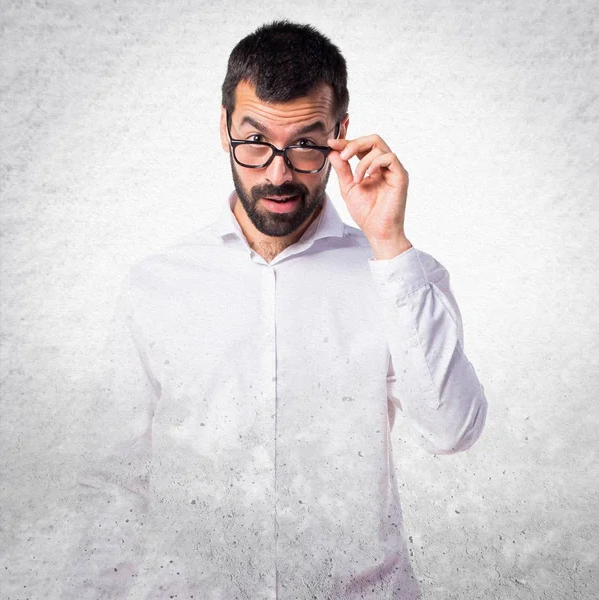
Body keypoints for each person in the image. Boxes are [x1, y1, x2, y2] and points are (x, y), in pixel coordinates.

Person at [62, 20, 487, 600]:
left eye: (306, 144)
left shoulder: (398, 276)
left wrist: (389, 243)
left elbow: (453, 431)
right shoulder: (157, 286)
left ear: (341, 134)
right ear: (223, 129)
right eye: (255, 142)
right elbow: (111, 481)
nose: (278, 173)